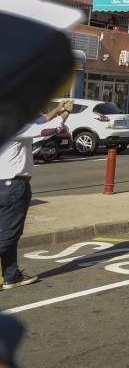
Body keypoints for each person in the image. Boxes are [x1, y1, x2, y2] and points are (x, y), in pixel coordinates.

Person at [0, 99, 73, 290]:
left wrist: (58, 109)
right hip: (13, 185)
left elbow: (39, 122)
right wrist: (65, 114)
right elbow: (48, 130)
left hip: (3, 184)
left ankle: (11, 275)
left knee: (7, 233)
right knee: (8, 234)